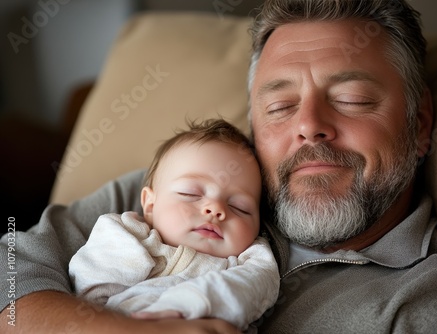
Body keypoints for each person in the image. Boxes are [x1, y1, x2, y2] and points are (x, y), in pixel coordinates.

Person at [1, 0, 437, 333]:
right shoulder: (179, 193)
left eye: (349, 98)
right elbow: (8, 268)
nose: (309, 126)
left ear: (419, 122)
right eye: (280, 108)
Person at [67, 118, 279, 332]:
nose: (216, 209)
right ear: (150, 204)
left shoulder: (250, 261)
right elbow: (89, 286)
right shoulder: (127, 233)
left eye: (239, 207)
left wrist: (187, 305)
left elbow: (252, 288)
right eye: (191, 194)